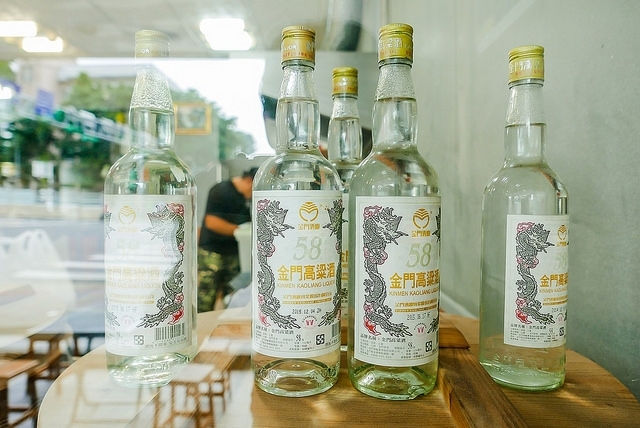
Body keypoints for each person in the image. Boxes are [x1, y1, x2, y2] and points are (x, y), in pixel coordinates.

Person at [197, 167, 257, 312]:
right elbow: (212, 222)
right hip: (213, 252)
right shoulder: (221, 191)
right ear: (249, 181)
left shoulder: (247, 199)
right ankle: (203, 324)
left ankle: (226, 322)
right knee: (206, 295)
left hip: (235, 253)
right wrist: (239, 231)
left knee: (232, 295)